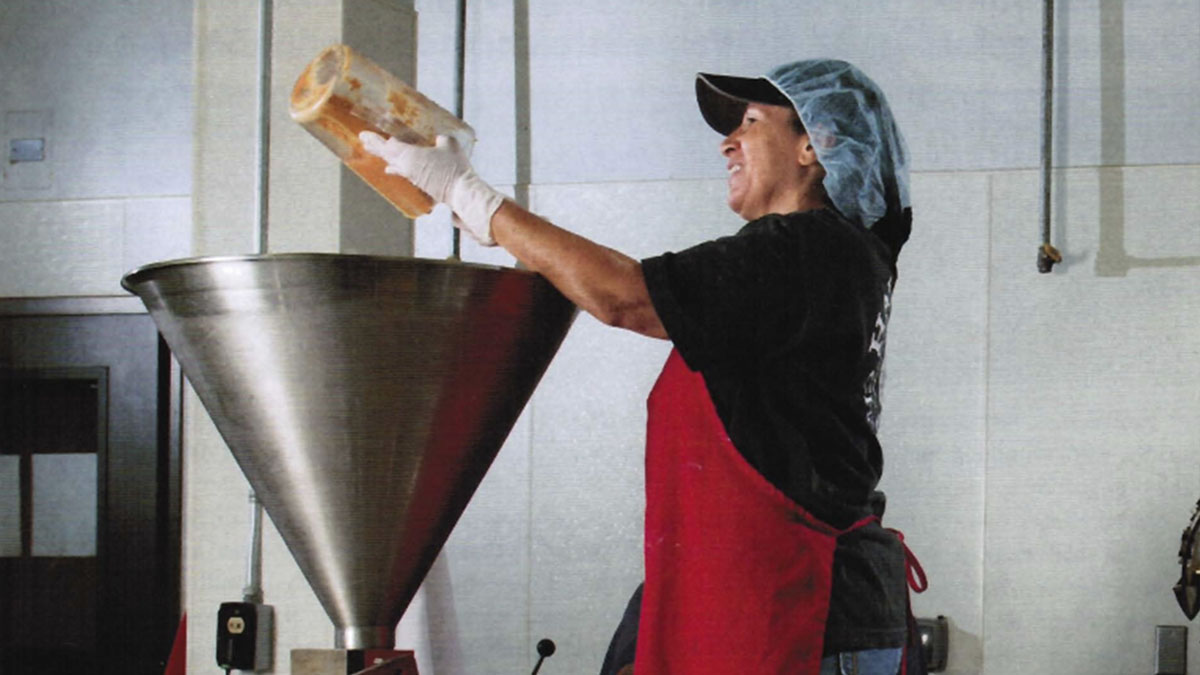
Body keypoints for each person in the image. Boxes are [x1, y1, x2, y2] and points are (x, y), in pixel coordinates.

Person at [361, 57, 924, 675]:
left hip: (801, 609)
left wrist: (473, 196)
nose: (727, 142)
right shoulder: (826, 262)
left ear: (815, 147)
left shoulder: (805, 247)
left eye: (752, 121)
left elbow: (625, 294)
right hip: (786, 599)